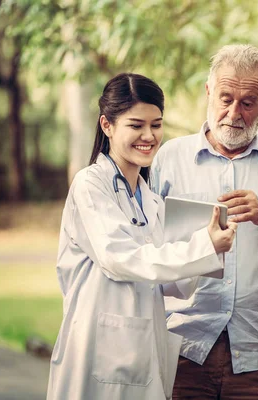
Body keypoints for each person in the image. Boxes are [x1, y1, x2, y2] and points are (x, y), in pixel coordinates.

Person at [150, 44, 258, 399]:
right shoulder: (170, 157)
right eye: (225, 98)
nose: (234, 112)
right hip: (182, 347)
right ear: (209, 92)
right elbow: (150, 251)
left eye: (248, 102)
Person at [46, 73, 236, 400]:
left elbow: (173, 285)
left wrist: (207, 244)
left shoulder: (150, 199)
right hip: (96, 348)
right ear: (107, 125)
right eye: (136, 125)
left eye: (156, 124)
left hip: (141, 348)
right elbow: (120, 259)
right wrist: (202, 246)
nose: (148, 136)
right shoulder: (91, 185)